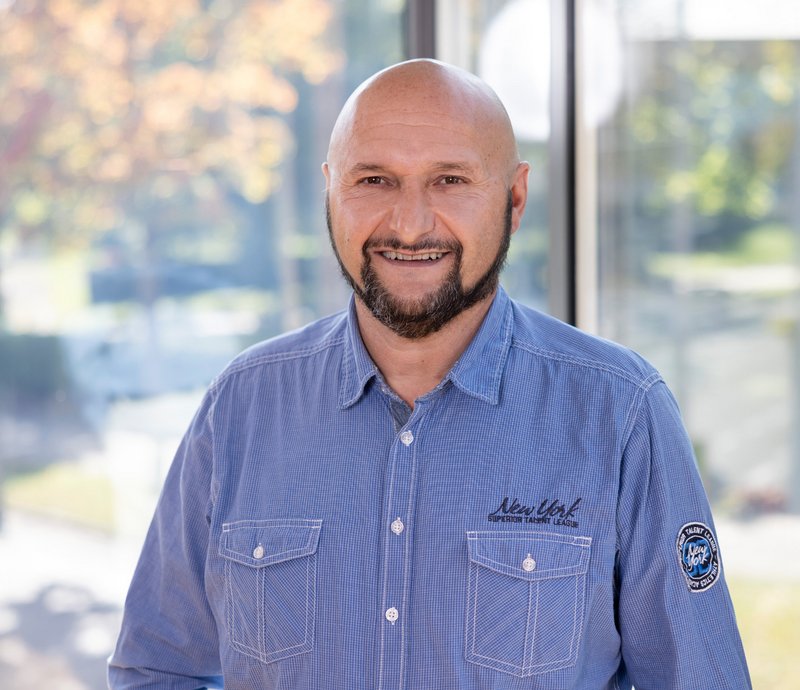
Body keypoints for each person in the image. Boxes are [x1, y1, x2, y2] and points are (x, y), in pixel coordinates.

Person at [108, 59, 751, 689]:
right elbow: (158, 668)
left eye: (449, 180)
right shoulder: (240, 408)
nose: (410, 225)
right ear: (332, 190)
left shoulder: (622, 414)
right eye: (375, 181)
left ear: (515, 198)